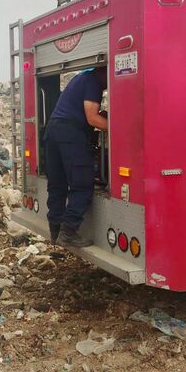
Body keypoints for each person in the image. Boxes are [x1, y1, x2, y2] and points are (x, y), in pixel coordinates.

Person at [45, 67, 108, 247]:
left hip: (53, 131)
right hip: (70, 135)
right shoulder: (94, 82)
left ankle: (55, 231)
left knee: (57, 184)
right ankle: (69, 233)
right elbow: (92, 118)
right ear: (104, 72)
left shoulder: (80, 79)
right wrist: (116, 126)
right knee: (82, 183)